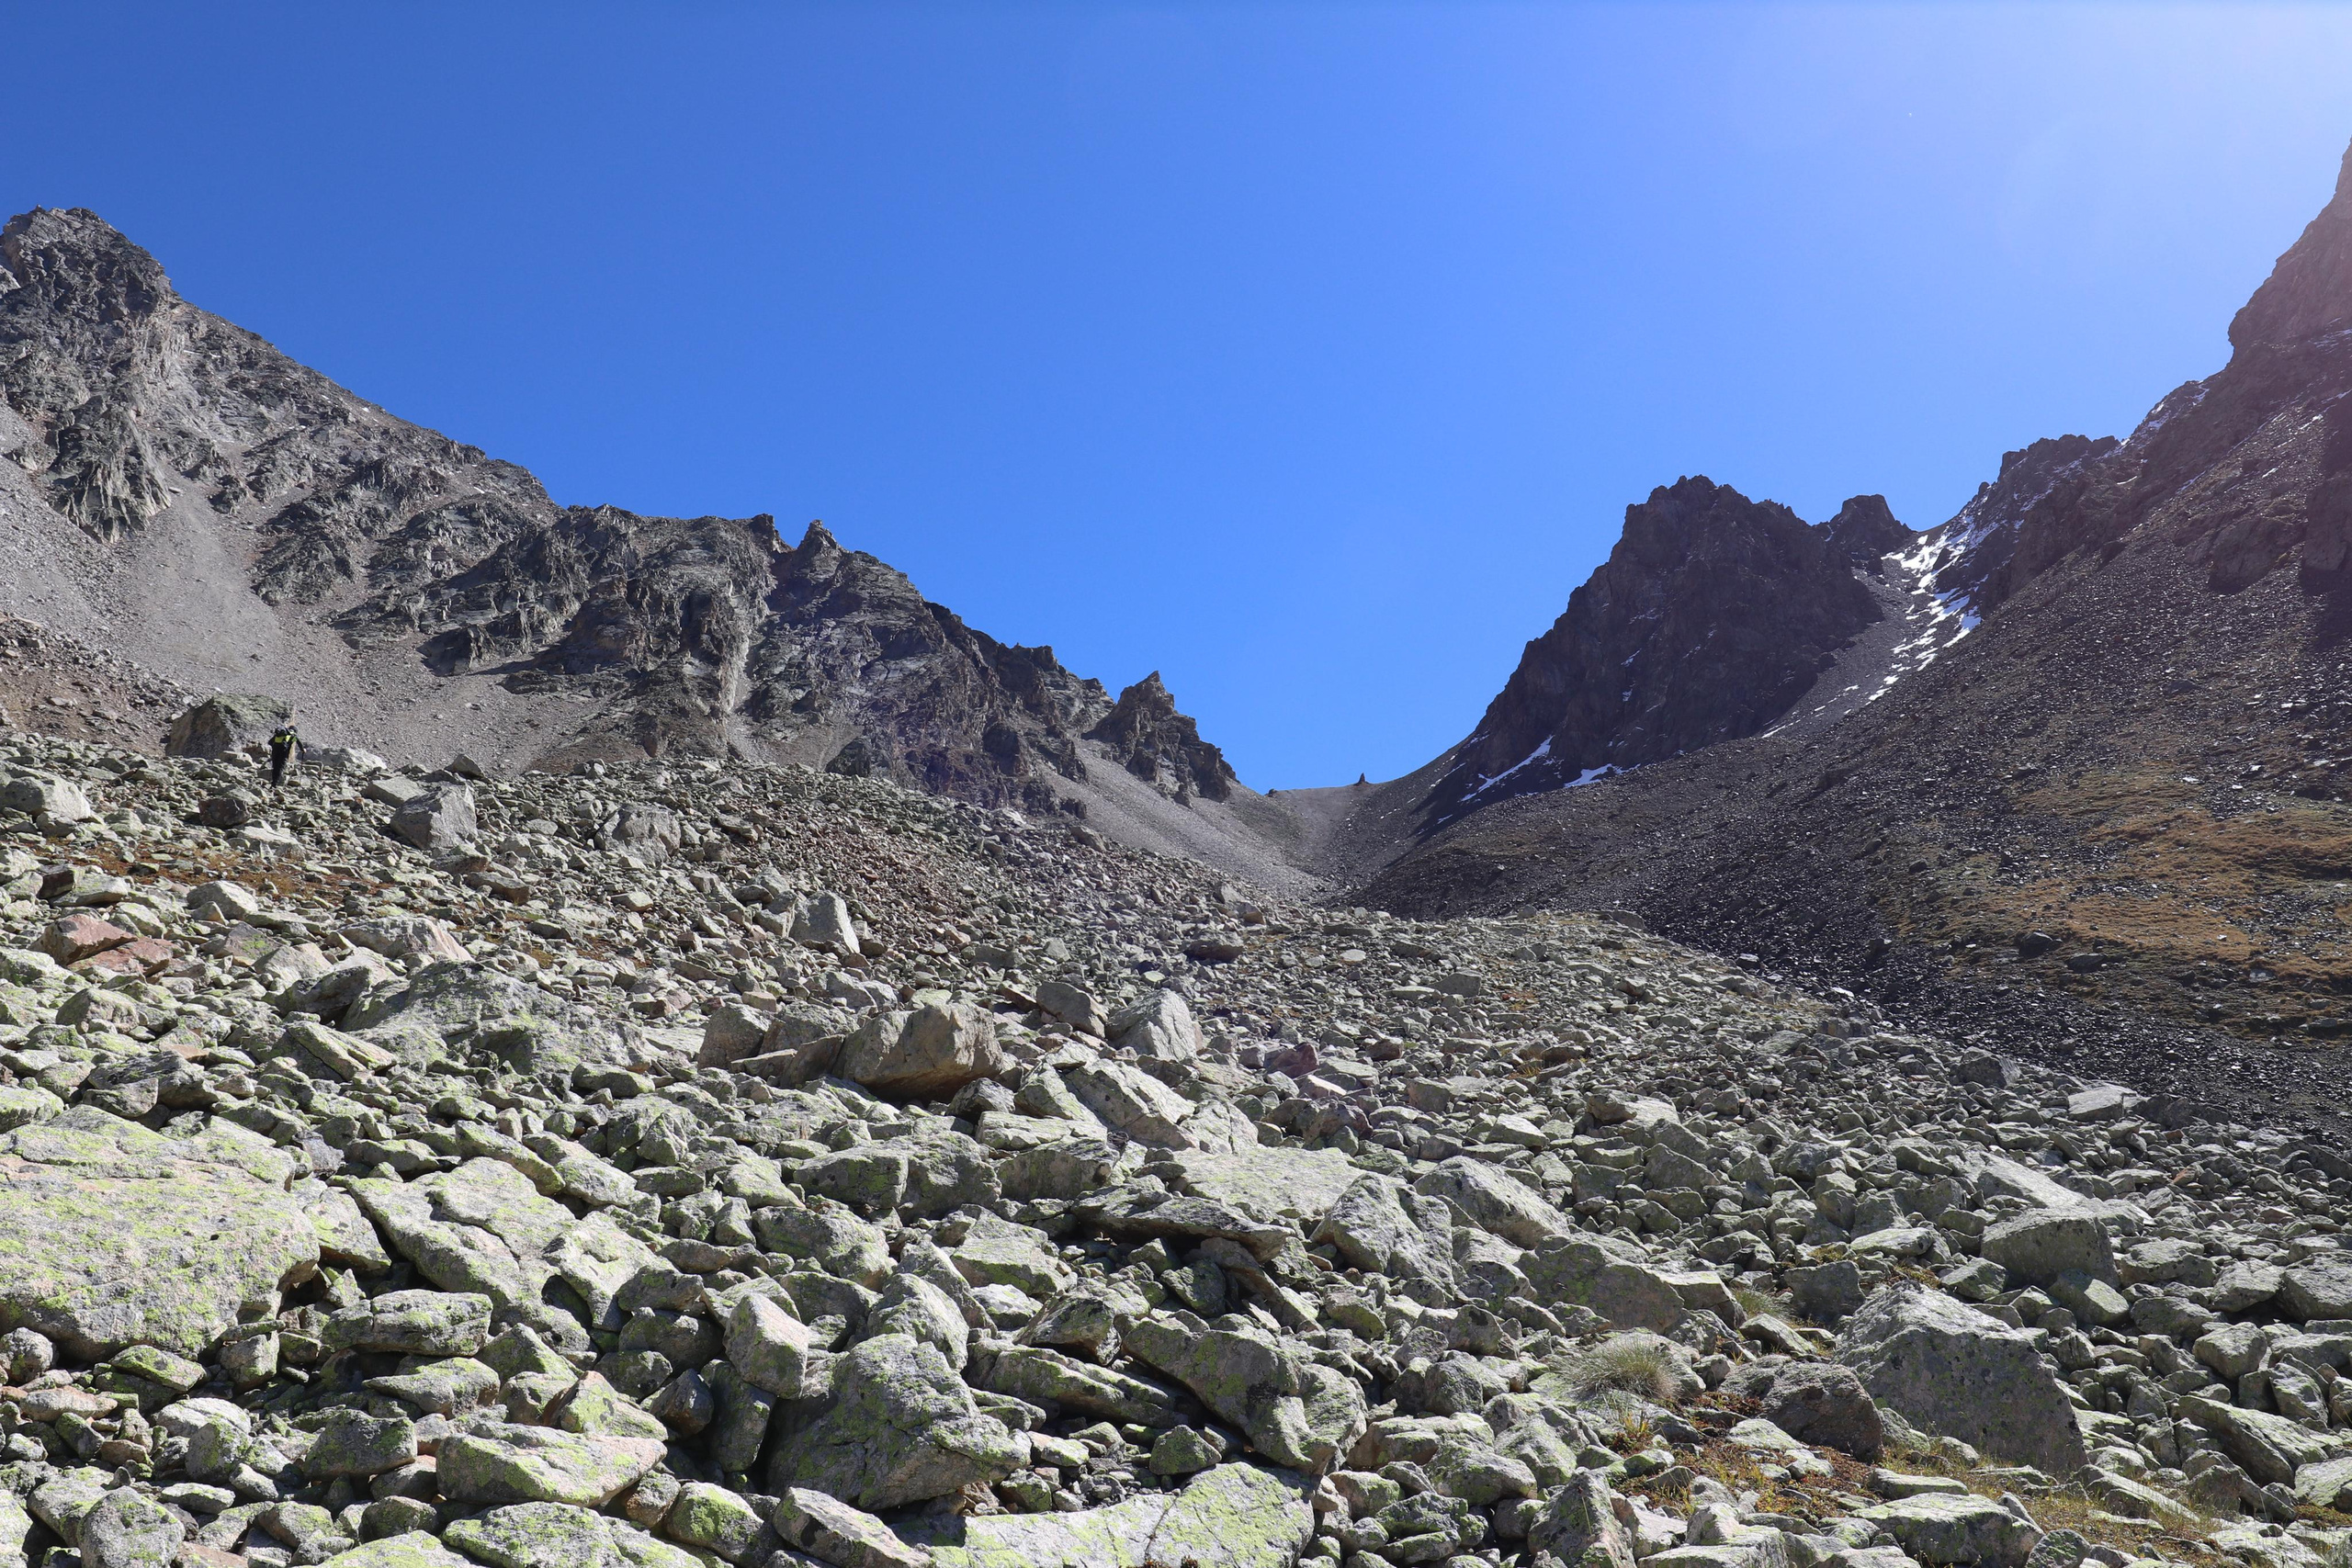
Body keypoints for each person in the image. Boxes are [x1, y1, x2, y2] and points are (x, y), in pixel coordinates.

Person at [268, 720, 301, 786]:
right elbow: (299, 743)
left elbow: (270, 742)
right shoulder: (293, 735)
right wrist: (303, 750)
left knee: (275, 766)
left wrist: (275, 747)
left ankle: (273, 781)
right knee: (280, 767)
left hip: (275, 751)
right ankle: (274, 784)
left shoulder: (280, 734)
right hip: (284, 752)